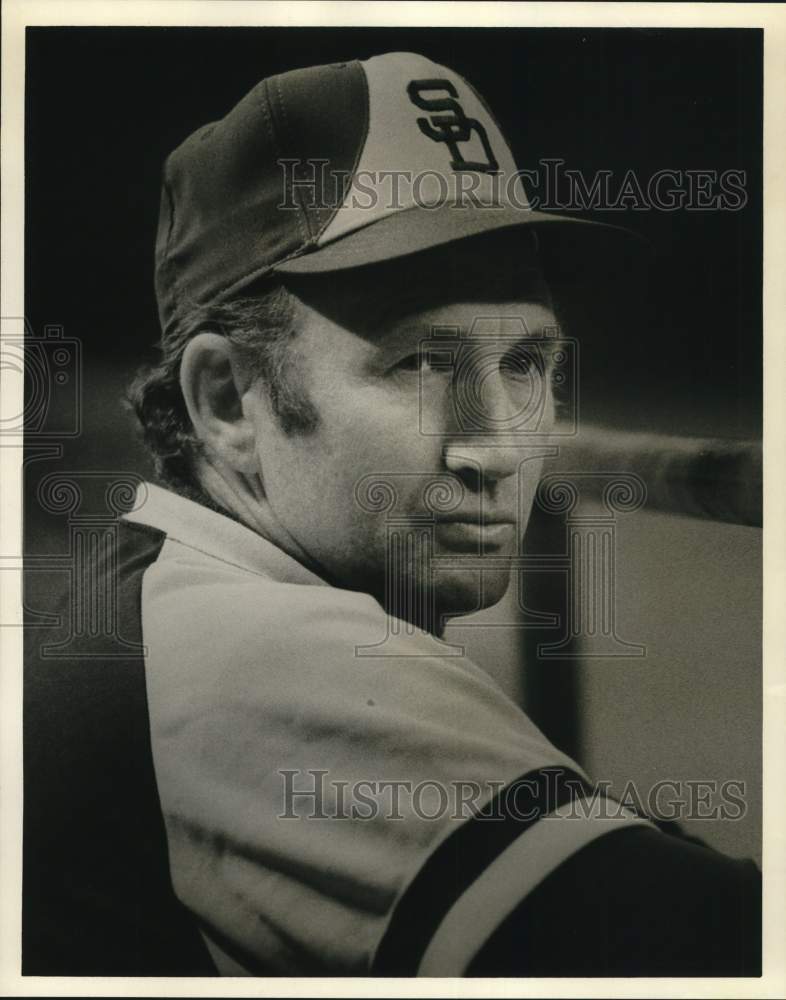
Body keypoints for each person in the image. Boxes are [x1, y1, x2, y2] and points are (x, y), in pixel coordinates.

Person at [23, 51, 760, 978]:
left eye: (526, 363)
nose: (496, 446)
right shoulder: (255, 654)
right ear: (223, 400)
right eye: (421, 363)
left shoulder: (159, 591)